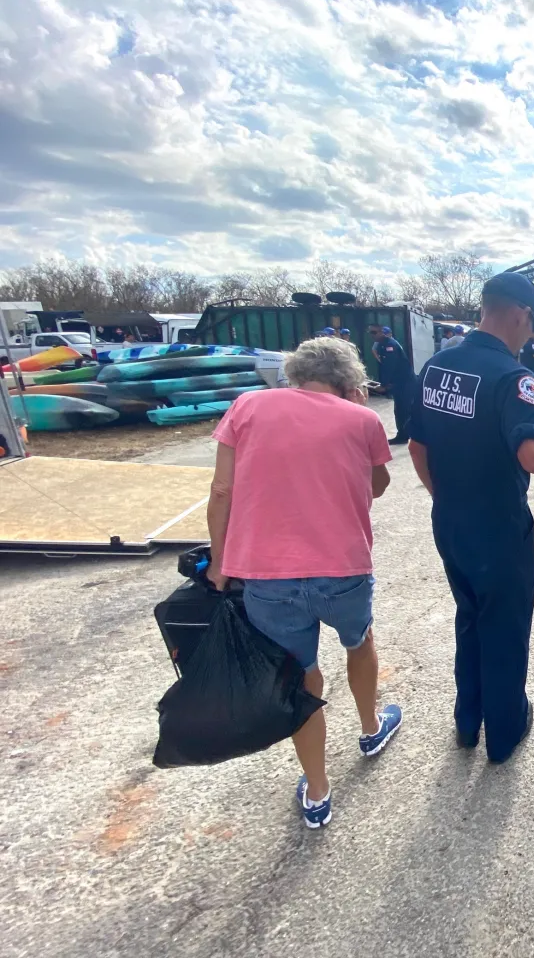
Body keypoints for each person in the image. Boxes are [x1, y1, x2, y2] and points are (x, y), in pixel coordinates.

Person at [206, 337, 401, 829]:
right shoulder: (363, 419)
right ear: (350, 383)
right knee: (359, 641)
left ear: (294, 374)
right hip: (344, 566)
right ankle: (371, 727)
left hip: (265, 572)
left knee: (300, 673)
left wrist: (218, 560)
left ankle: (317, 790)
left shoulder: (248, 405)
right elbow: (376, 486)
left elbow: (223, 488)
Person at [406, 272, 534, 763]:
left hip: (450, 520)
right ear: (521, 314)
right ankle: (505, 733)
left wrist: (445, 498)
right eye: (533, 326)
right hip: (498, 528)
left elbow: (417, 445)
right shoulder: (514, 378)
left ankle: (468, 723)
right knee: (505, 627)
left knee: (470, 618)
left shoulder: (437, 366)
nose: (532, 336)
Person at [368, 323, 414, 445]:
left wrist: (384, 385)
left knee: (402, 410)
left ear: (382, 332)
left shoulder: (389, 345)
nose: (372, 336)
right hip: (399, 382)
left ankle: (404, 436)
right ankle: (404, 434)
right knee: (401, 409)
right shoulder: (383, 345)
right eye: (370, 333)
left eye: (374, 332)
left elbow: (390, 367)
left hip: (404, 382)